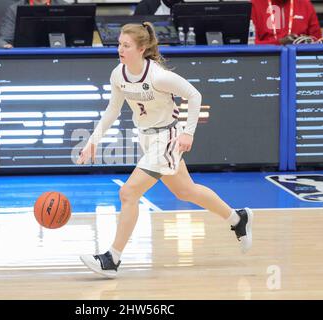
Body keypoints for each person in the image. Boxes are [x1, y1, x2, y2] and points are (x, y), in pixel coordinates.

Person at [77, 22, 254, 279]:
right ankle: (238, 219)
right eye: (119, 45)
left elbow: (194, 95)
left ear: (142, 48)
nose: (120, 50)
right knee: (186, 191)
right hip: (147, 138)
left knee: (129, 193)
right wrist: (93, 140)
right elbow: (113, 110)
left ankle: (112, 258)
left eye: (126, 45)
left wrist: (187, 132)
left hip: (167, 138)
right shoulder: (118, 74)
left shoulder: (158, 76)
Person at [0, 0, 68, 49]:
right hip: (26, 58)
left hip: (58, 55)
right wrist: (5, 46)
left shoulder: (65, 6)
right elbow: (3, 40)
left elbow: (76, 40)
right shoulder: (14, 9)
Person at [251, 0, 322, 45]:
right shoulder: (255, 4)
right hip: (266, 58)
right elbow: (251, 44)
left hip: (299, 59)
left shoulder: (305, 4)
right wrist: (279, 42)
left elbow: (317, 41)